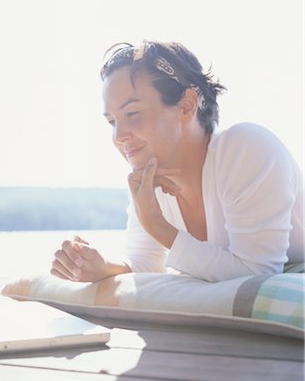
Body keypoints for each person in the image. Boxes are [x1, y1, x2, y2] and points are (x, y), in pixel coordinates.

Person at [50, 41, 304, 283]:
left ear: (186, 106)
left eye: (132, 113)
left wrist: (159, 228)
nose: (119, 136)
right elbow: (145, 264)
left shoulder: (245, 148)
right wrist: (100, 268)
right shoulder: (153, 176)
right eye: (112, 121)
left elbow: (257, 274)